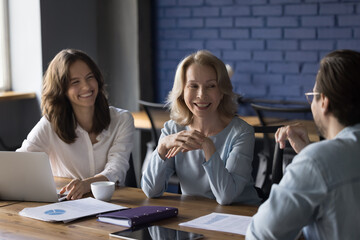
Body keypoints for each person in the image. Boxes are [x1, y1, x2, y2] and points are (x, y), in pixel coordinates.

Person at [246, 49, 360, 239]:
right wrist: (308, 153)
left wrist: (310, 159)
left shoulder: (316, 162)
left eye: (312, 94)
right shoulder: (319, 161)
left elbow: (261, 234)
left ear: (323, 101)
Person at [141, 50, 260, 205]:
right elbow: (150, 191)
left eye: (211, 86)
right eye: (193, 86)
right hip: (194, 218)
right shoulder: (172, 129)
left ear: (222, 91)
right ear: (182, 91)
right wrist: (162, 147)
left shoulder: (242, 132)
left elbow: (226, 197)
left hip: (241, 217)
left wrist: (207, 146)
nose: (201, 95)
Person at [17, 49, 135, 200]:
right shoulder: (50, 124)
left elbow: (116, 169)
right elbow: (20, 164)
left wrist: (87, 184)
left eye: (89, 77)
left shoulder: (122, 120)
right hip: (68, 206)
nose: (86, 87)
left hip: (114, 204)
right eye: (75, 82)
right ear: (61, 90)